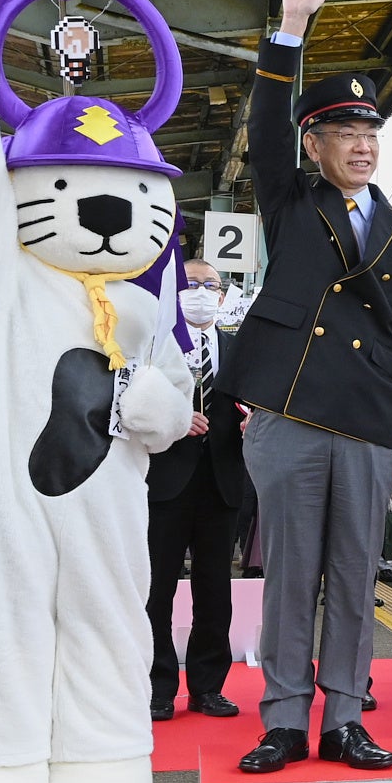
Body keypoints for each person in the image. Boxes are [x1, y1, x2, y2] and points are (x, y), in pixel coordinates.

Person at [216, 0, 392, 775]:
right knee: (288, 575)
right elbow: (267, 122)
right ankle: (280, 718)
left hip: (372, 422)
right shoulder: (291, 200)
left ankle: (345, 717)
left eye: (372, 134)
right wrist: (291, 28)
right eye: (347, 133)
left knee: (352, 576)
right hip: (290, 413)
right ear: (316, 143)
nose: (363, 146)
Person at [145, 259, 246, 722]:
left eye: (211, 285)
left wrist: (256, 423)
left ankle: (208, 686)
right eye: (190, 284)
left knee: (215, 589)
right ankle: (157, 685)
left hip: (222, 483)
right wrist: (173, 417)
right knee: (156, 588)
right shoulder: (153, 344)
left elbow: (261, 402)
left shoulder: (241, 348)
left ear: (222, 296)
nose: (201, 292)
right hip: (164, 481)